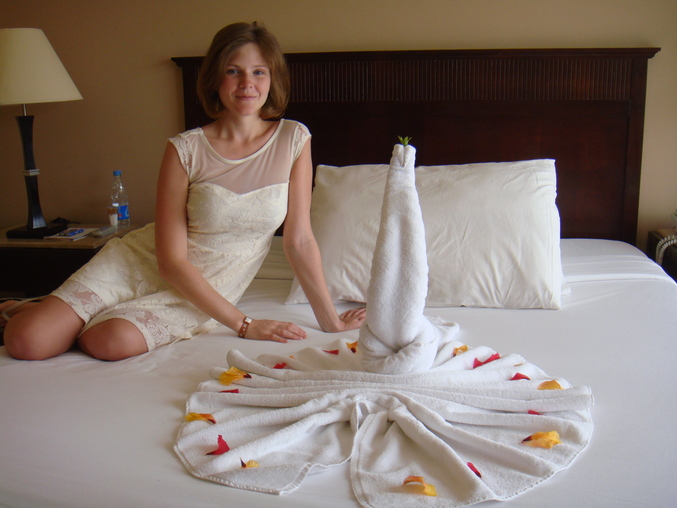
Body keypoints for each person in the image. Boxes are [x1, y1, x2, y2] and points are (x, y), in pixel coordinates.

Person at [1, 21, 366, 362]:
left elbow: (298, 241)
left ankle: (66, 317)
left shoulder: (293, 139)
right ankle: (26, 309)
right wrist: (245, 325)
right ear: (215, 79)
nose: (247, 83)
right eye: (233, 71)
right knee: (26, 341)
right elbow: (170, 261)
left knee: (108, 341)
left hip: (205, 289)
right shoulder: (185, 149)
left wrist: (331, 320)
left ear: (273, 79)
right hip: (145, 262)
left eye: (259, 72)